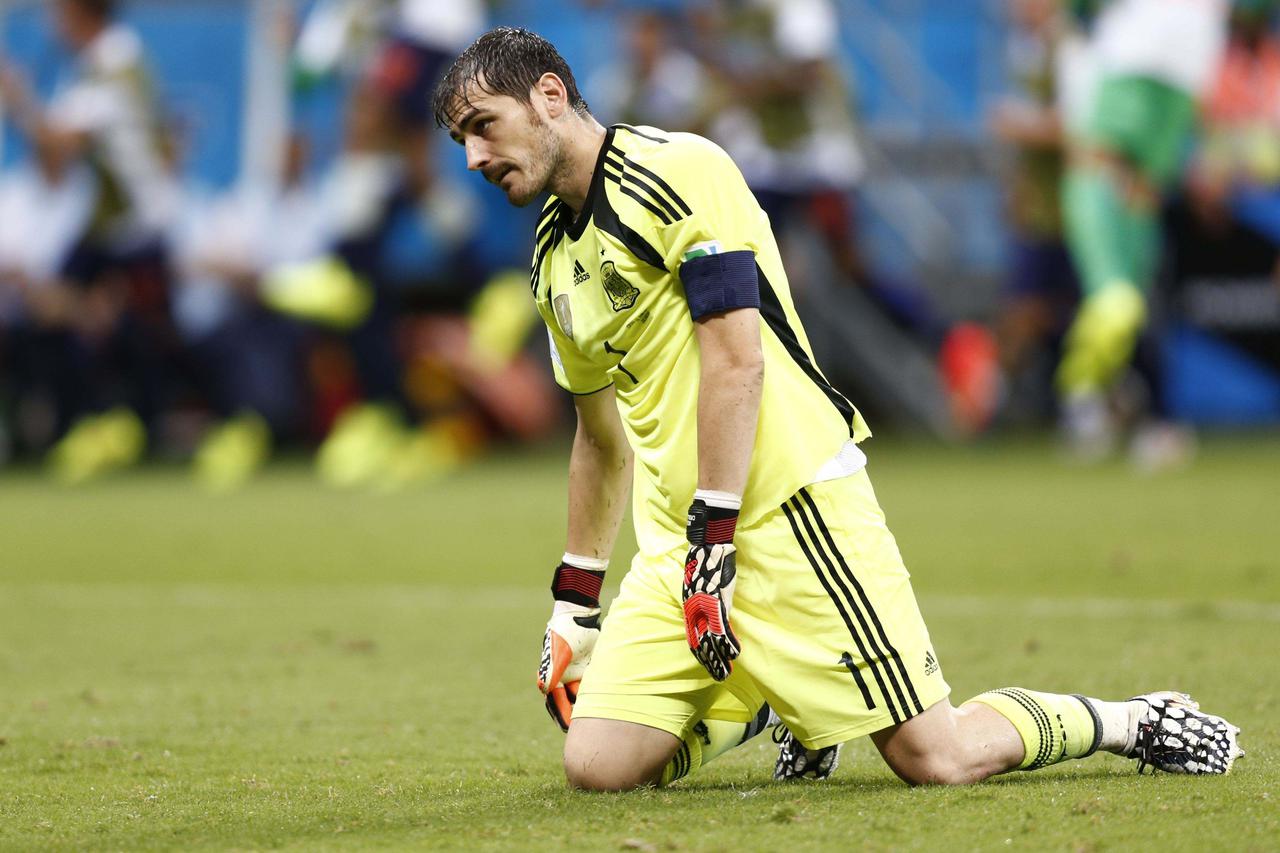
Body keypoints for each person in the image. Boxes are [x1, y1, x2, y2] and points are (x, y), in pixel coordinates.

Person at [433, 27, 1243, 790]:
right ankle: (772, 705)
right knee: (597, 763)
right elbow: (597, 439)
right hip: (680, 543)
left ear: (547, 95)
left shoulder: (678, 170)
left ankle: (1129, 720)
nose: (473, 156)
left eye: (482, 126)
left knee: (937, 756)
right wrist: (575, 601)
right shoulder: (547, 255)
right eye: (460, 141)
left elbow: (738, 360)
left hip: (792, 508)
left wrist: (717, 536)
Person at [1057, 0, 1229, 458]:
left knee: (1119, 297)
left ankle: (1099, 401)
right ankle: (1127, 413)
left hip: (1139, 61)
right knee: (1139, 295)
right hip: (1187, 65)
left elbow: (1089, 150)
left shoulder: (1097, 48)